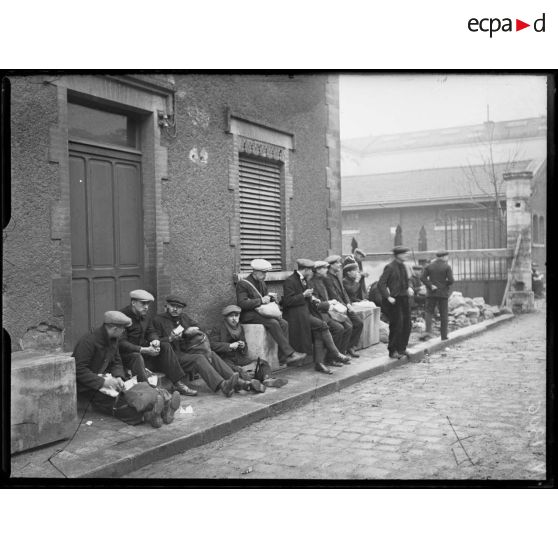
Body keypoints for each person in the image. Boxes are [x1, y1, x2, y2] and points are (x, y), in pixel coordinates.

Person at [72, 311, 181, 428]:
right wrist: (103, 382)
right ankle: (150, 414)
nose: (124, 331)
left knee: (139, 388)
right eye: (122, 328)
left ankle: (164, 409)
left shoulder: (113, 339)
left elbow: (117, 361)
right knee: (121, 403)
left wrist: (118, 376)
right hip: (90, 388)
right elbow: (79, 370)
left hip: (108, 380)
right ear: (114, 328)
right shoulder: (88, 341)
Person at [152, 294, 252, 397]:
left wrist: (190, 331)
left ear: (182, 309)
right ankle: (223, 385)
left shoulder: (184, 317)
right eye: (172, 306)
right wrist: (170, 338)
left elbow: (200, 327)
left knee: (211, 354)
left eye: (179, 307)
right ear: (167, 305)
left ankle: (239, 382)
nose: (175, 309)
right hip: (171, 357)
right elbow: (155, 341)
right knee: (199, 358)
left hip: (186, 351)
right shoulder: (158, 320)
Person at [119, 289, 198, 396]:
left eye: (148, 304)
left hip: (145, 353)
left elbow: (151, 331)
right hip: (128, 356)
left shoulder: (145, 315)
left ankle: (178, 383)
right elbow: (121, 343)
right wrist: (143, 350)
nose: (146, 307)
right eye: (143, 303)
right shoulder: (122, 317)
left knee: (164, 345)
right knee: (136, 356)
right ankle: (149, 392)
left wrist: (155, 340)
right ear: (133, 303)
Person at [283, 259, 350, 374]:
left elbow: (306, 299)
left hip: (306, 312)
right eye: (310, 270)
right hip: (296, 315)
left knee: (319, 331)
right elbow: (287, 301)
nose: (312, 273)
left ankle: (319, 363)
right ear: (306, 270)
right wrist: (304, 295)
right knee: (322, 325)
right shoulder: (290, 281)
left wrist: (313, 299)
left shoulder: (304, 279)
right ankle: (335, 353)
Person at [236, 258, 306, 366]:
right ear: (254, 272)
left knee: (284, 323)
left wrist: (271, 298)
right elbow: (242, 303)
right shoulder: (243, 284)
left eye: (266, 272)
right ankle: (290, 353)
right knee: (273, 322)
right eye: (263, 272)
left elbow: (265, 298)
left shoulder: (262, 283)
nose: (265, 275)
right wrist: (261, 300)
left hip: (261, 313)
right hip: (248, 315)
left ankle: (283, 357)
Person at [210, 305, 288, 388]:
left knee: (262, 363)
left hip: (239, 358)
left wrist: (243, 346)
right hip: (225, 358)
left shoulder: (240, 328)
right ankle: (251, 383)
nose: (234, 319)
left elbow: (245, 348)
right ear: (226, 317)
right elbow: (212, 345)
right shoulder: (218, 328)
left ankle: (267, 379)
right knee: (237, 370)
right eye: (231, 316)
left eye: (236, 316)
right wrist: (229, 346)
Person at [309, 261, 352, 368]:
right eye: (324, 268)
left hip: (328, 311)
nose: (326, 270)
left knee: (348, 327)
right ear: (318, 270)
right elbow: (315, 304)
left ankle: (340, 354)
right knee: (339, 329)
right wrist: (329, 304)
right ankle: (331, 358)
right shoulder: (312, 283)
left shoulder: (323, 280)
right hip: (319, 313)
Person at [322, 254, 363, 358]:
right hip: (337, 309)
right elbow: (334, 296)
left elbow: (343, 292)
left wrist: (349, 304)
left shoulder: (337, 275)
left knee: (359, 323)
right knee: (348, 326)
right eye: (337, 263)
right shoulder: (327, 278)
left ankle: (350, 346)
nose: (340, 265)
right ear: (331, 265)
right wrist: (345, 307)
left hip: (344, 306)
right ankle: (341, 352)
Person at [378, 246, 414, 359]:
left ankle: (402, 348)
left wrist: (408, 288)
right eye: (404, 254)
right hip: (394, 301)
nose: (406, 255)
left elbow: (405, 281)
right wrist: (388, 297)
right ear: (398, 255)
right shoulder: (390, 267)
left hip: (404, 299)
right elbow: (381, 284)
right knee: (397, 325)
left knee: (407, 324)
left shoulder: (403, 266)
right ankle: (392, 350)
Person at [421, 250, 454, 341]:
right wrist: (444, 285)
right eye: (446, 256)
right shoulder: (447, 267)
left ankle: (428, 333)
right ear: (443, 257)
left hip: (431, 293)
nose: (447, 258)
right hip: (443, 294)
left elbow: (422, 278)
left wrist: (430, 285)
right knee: (444, 314)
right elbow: (451, 280)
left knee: (429, 312)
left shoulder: (429, 266)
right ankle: (444, 336)